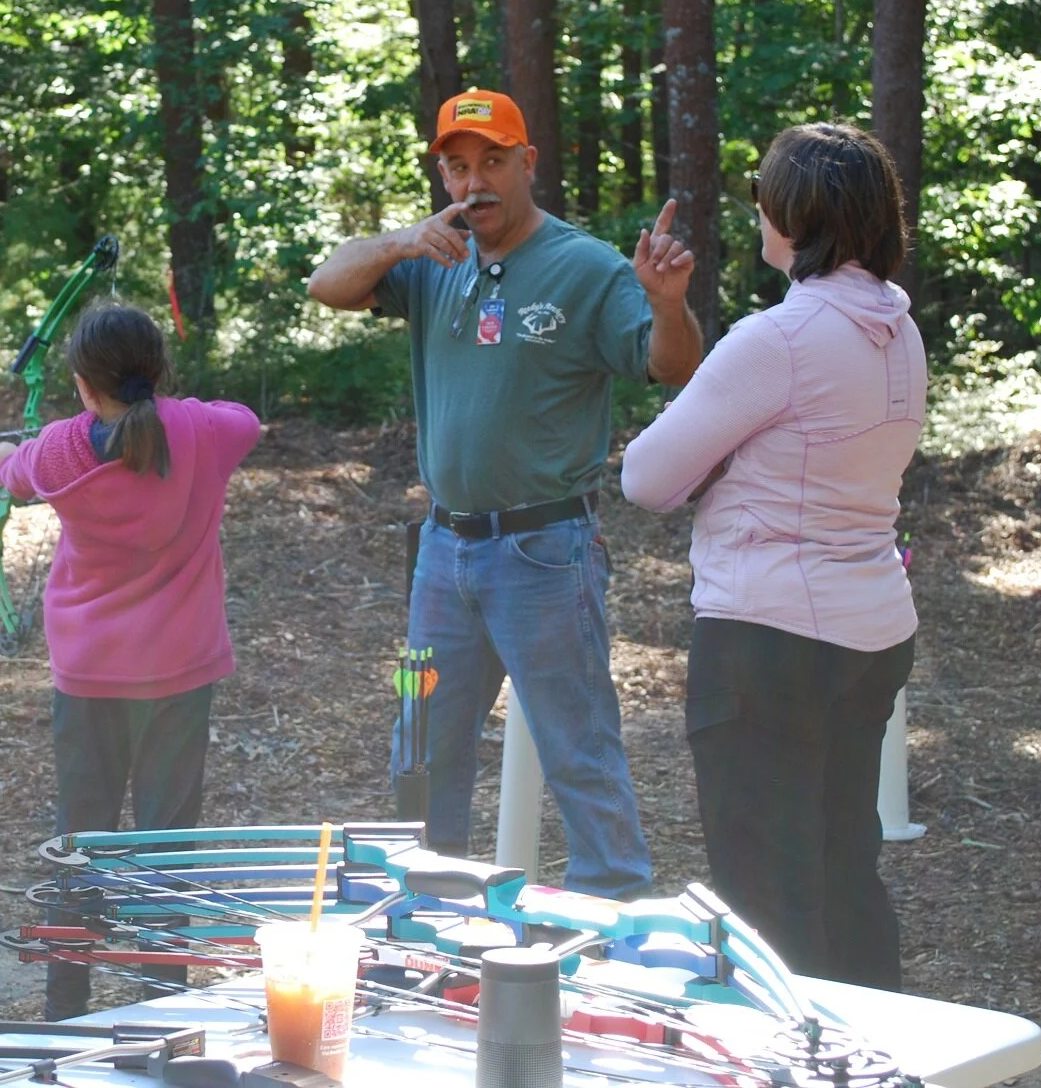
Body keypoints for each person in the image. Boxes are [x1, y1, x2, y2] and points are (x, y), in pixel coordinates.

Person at [306, 88, 702, 899]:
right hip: (443, 554)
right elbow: (326, 284)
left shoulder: (585, 267)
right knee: (419, 747)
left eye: (491, 161)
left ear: (528, 162)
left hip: (544, 551)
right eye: (457, 167)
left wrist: (667, 304)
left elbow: (672, 367)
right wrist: (400, 243)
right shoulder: (431, 262)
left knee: (577, 750)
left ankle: (615, 917)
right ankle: (429, 911)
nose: (473, 182)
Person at [620, 122, 925, 990]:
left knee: (768, 895)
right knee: (842, 866)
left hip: (769, 639)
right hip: (870, 632)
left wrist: (718, 464)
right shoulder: (900, 333)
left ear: (797, 214)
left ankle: (799, 1063)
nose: (756, 206)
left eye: (765, 192)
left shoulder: (778, 338)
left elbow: (646, 476)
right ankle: (882, 1062)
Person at [0, 302, 261, 1018]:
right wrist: (179, 407)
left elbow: (13, 475)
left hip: (90, 675)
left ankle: (66, 1015)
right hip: (181, 671)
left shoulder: (56, 449)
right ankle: (160, 1014)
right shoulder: (202, 430)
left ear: (82, 383)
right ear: (160, 371)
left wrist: (9, 457)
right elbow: (246, 421)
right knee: (167, 849)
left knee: (79, 843)